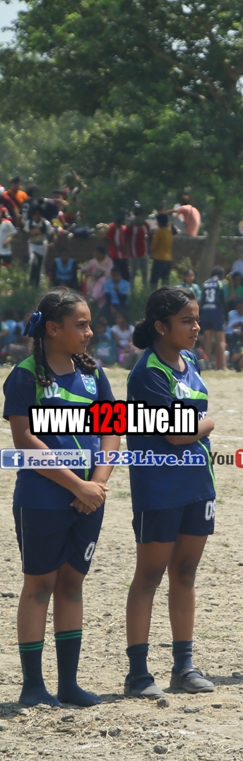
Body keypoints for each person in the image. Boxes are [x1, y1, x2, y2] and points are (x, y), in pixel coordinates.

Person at [3, 290, 119, 707]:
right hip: (43, 498)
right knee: (40, 585)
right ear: (52, 328)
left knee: (72, 584)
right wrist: (76, 485)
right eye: (80, 325)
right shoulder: (25, 376)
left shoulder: (93, 373)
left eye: (89, 324)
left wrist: (97, 485)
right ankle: (33, 687)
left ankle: (68, 684)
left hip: (89, 499)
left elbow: (111, 430)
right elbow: (24, 440)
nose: (89, 332)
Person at [123, 287, 217, 698]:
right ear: (161, 327)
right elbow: (177, 433)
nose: (196, 327)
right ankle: (138, 674)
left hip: (198, 485)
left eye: (196, 319)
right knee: (148, 576)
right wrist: (208, 424)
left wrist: (196, 427)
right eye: (187, 320)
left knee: (185, 573)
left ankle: (184, 667)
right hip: (159, 488)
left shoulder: (189, 361)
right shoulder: (147, 373)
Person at [199, 267, 227, 370]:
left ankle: (207, 364)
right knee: (221, 340)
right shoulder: (220, 283)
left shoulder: (205, 284)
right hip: (216, 313)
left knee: (208, 340)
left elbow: (202, 300)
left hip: (205, 313)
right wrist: (226, 315)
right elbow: (224, 300)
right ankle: (223, 366)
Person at [24, 207, 54, 287]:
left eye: (38, 214)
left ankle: (38, 283)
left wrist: (51, 242)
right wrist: (26, 248)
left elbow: (52, 234)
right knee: (32, 261)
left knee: (41, 264)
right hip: (32, 244)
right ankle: (30, 281)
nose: (36, 216)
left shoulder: (45, 224)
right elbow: (26, 236)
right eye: (35, 214)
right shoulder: (29, 223)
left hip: (42, 245)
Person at [124, 211, 151, 285]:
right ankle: (131, 289)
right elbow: (126, 239)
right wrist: (126, 251)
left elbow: (149, 236)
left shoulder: (145, 225)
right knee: (133, 273)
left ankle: (146, 288)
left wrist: (149, 248)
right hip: (133, 254)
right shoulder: (131, 226)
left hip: (144, 253)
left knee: (145, 273)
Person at [149, 213, 174, 288]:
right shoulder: (169, 232)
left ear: (159, 222)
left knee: (154, 281)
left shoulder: (159, 232)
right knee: (165, 281)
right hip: (168, 259)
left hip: (159, 258)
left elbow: (154, 246)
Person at [105, 213, 128, 281]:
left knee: (125, 272)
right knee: (115, 271)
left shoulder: (123, 228)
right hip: (114, 254)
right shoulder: (111, 227)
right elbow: (105, 237)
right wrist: (115, 245)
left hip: (123, 254)